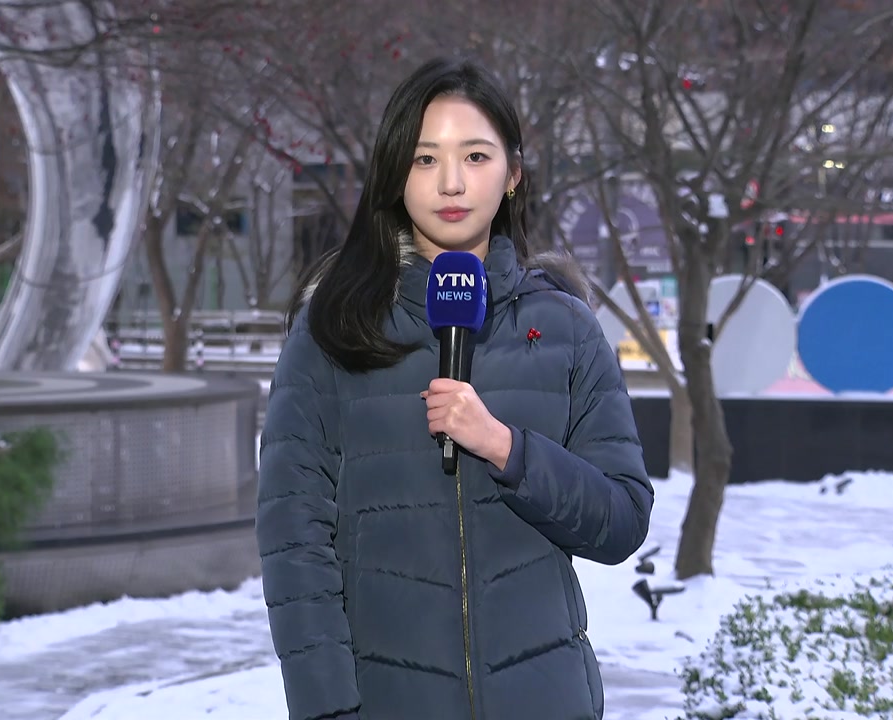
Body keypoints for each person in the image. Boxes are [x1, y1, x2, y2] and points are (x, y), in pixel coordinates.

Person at [257, 57, 655, 720]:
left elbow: (621, 521)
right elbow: (294, 540)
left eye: (475, 156)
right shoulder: (334, 329)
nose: (451, 182)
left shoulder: (566, 329)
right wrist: (326, 706)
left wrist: (506, 448)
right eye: (424, 159)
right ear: (396, 174)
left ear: (513, 173)